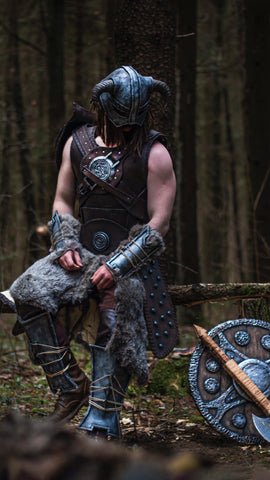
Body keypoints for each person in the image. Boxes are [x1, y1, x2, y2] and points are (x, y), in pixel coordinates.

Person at [8, 65, 178, 439]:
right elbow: (62, 202)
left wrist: (117, 267)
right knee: (27, 292)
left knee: (116, 320)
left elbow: (158, 224)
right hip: (79, 253)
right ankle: (68, 384)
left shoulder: (156, 153)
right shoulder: (78, 143)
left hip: (132, 260)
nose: (128, 129)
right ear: (104, 109)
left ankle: (102, 418)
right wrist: (65, 242)